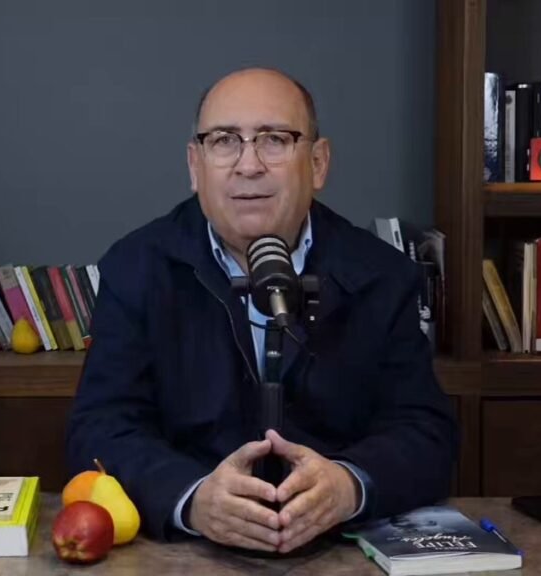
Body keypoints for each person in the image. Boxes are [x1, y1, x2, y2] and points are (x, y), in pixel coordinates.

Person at [66, 67, 458, 554]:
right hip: (188, 553)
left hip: (335, 550)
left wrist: (348, 485)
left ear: (318, 162)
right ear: (195, 165)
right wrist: (193, 498)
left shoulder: (382, 275)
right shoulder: (136, 268)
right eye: (224, 141)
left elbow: (426, 431)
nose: (248, 165)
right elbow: (100, 429)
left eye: (275, 140)